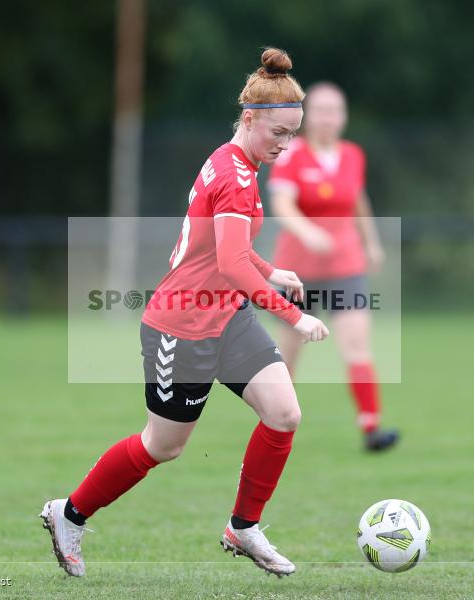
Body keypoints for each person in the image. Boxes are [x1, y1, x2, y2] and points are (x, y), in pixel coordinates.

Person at [40, 48, 328, 579]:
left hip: (227, 318)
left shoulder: (236, 161)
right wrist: (294, 316)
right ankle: (69, 513)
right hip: (182, 328)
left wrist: (269, 270)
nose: (286, 145)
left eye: (293, 134)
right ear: (250, 118)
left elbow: (227, 252)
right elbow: (230, 263)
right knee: (163, 446)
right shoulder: (236, 176)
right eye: (279, 133)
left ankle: (244, 527)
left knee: (284, 413)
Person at [267, 81, 399, 452]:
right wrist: (308, 232)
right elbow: (282, 205)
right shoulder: (291, 153)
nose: (328, 118)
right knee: (287, 356)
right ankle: (274, 427)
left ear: (344, 117)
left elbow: (358, 200)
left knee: (357, 345)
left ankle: (371, 428)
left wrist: (371, 242)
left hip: (345, 267)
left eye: (335, 111)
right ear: (307, 117)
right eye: (321, 110)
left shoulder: (353, 155)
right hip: (297, 273)